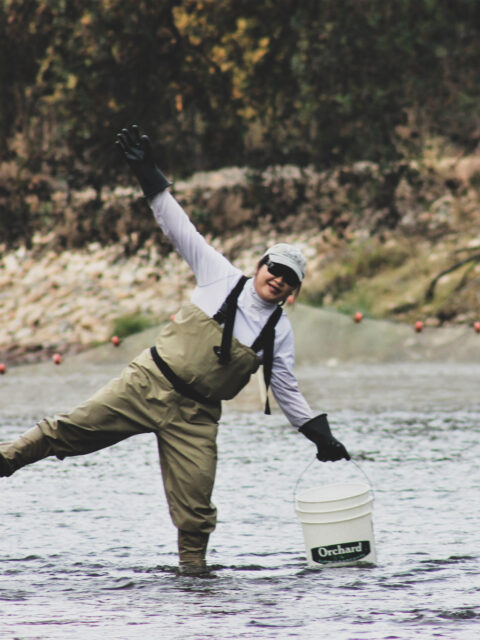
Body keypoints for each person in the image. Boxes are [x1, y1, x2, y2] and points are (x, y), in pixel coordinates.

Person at [0, 125, 350, 575]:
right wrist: (147, 169)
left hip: (197, 418)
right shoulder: (219, 276)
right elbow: (175, 224)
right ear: (259, 265)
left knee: (197, 509)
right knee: (64, 431)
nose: (278, 278)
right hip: (146, 383)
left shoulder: (279, 332)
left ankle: (194, 577)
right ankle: (5, 461)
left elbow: (286, 390)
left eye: (289, 278)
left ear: (292, 291)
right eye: (274, 268)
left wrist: (320, 435)